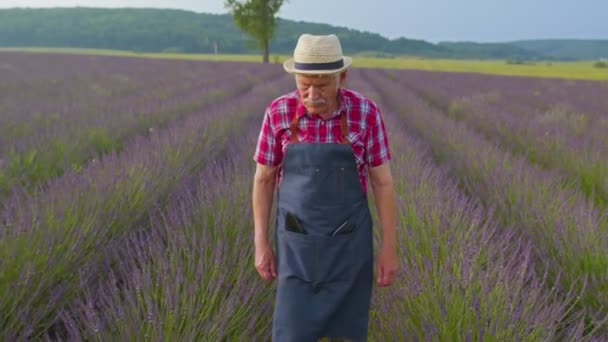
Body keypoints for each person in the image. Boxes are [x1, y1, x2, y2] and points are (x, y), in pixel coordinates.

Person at [252, 33, 398, 342]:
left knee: (348, 333)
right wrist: (261, 242)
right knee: (290, 333)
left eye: (322, 85)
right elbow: (264, 179)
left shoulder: (365, 113)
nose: (312, 94)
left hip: (348, 248)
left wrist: (388, 248)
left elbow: (382, 182)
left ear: (341, 77)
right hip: (297, 247)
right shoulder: (278, 112)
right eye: (304, 84)